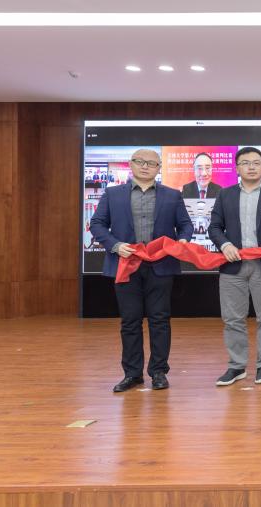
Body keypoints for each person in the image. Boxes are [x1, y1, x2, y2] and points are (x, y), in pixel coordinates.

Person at [89, 149, 194, 393]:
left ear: (159, 168)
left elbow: (186, 225)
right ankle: (132, 374)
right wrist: (115, 245)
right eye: (140, 162)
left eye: (151, 163)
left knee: (160, 319)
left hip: (161, 265)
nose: (145, 166)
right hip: (125, 265)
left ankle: (158, 372)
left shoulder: (172, 195)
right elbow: (97, 224)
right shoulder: (113, 194)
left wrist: (183, 240)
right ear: (131, 164)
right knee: (130, 321)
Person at [208, 147, 261, 387]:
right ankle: (236, 366)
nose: (251, 167)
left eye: (256, 163)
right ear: (237, 168)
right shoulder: (225, 195)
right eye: (246, 163)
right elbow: (215, 227)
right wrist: (225, 245)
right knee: (232, 319)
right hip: (232, 265)